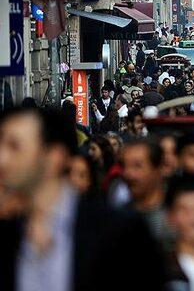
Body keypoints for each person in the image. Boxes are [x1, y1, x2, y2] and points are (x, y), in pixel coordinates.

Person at [0, 107, 165, 290]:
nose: (3, 158)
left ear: (55, 156)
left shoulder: (118, 232)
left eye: (14, 146)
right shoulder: (9, 233)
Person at [122, 138, 175, 246]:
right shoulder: (118, 218)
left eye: (137, 166)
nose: (128, 174)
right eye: (124, 166)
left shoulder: (175, 219)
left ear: (158, 169)